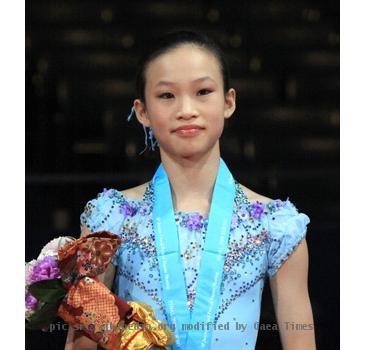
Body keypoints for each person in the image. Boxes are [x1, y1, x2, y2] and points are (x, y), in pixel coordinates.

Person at [65, 30, 316, 350]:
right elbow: (81, 344)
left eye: (203, 91)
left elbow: (300, 342)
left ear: (228, 102)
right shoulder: (110, 217)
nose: (186, 109)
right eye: (167, 95)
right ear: (142, 111)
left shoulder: (277, 225)